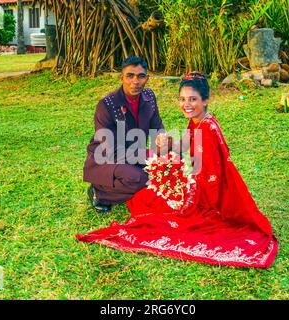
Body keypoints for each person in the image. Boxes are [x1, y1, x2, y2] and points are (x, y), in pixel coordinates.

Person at [78, 72, 278, 268]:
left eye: (193, 99)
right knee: (146, 187)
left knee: (145, 196)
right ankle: (102, 189)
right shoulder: (199, 121)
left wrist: (179, 183)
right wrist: (169, 146)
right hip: (190, 181)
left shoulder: (208, 129)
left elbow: (211, 178)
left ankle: (101, 192)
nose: (187, 105)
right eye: (182, 99)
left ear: (206, 100)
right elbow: (187, 145)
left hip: (203, 194)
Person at [83, 56, 165, 213]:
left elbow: (157, 127)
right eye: (130, 76)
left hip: (135, 156)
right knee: (141, 179)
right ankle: (100, 192)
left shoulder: (149, 97)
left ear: (147, 78)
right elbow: (112, 151)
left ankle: (119, 186)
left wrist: (163, 143)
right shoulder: (106, 105)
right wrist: (149, 155)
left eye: (141, 76)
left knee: (170, 167)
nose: (136, 81)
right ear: (122, 78)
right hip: (107, 159)